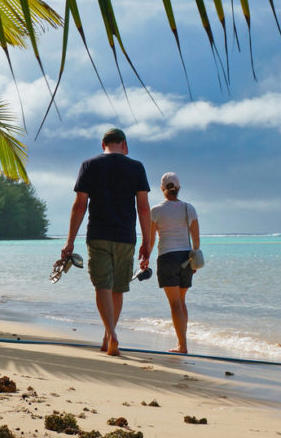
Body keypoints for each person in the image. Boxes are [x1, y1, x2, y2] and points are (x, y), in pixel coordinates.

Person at [62, 128, 150, 356]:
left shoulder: (89, 165)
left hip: (98, 234)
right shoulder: (136, 167)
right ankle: (109, 334)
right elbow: (143, 208)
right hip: (125, 237)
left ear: (103, 144)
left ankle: (109, 335)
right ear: (124, 145)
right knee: (118, 288)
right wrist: (148, 241)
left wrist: (70, 241)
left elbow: (79, 205)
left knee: (102, 286)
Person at [147, 172, 200, 354]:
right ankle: (182, 343)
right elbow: (196, 240)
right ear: (178, 188)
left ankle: (182, 346)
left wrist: (145, 257)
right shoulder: (189, 208)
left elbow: (151, 240)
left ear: (162, 189)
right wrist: (193, 260)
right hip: (186, 258)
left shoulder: (156, 211)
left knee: (175, 304)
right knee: (182, 301)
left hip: (167, 258)